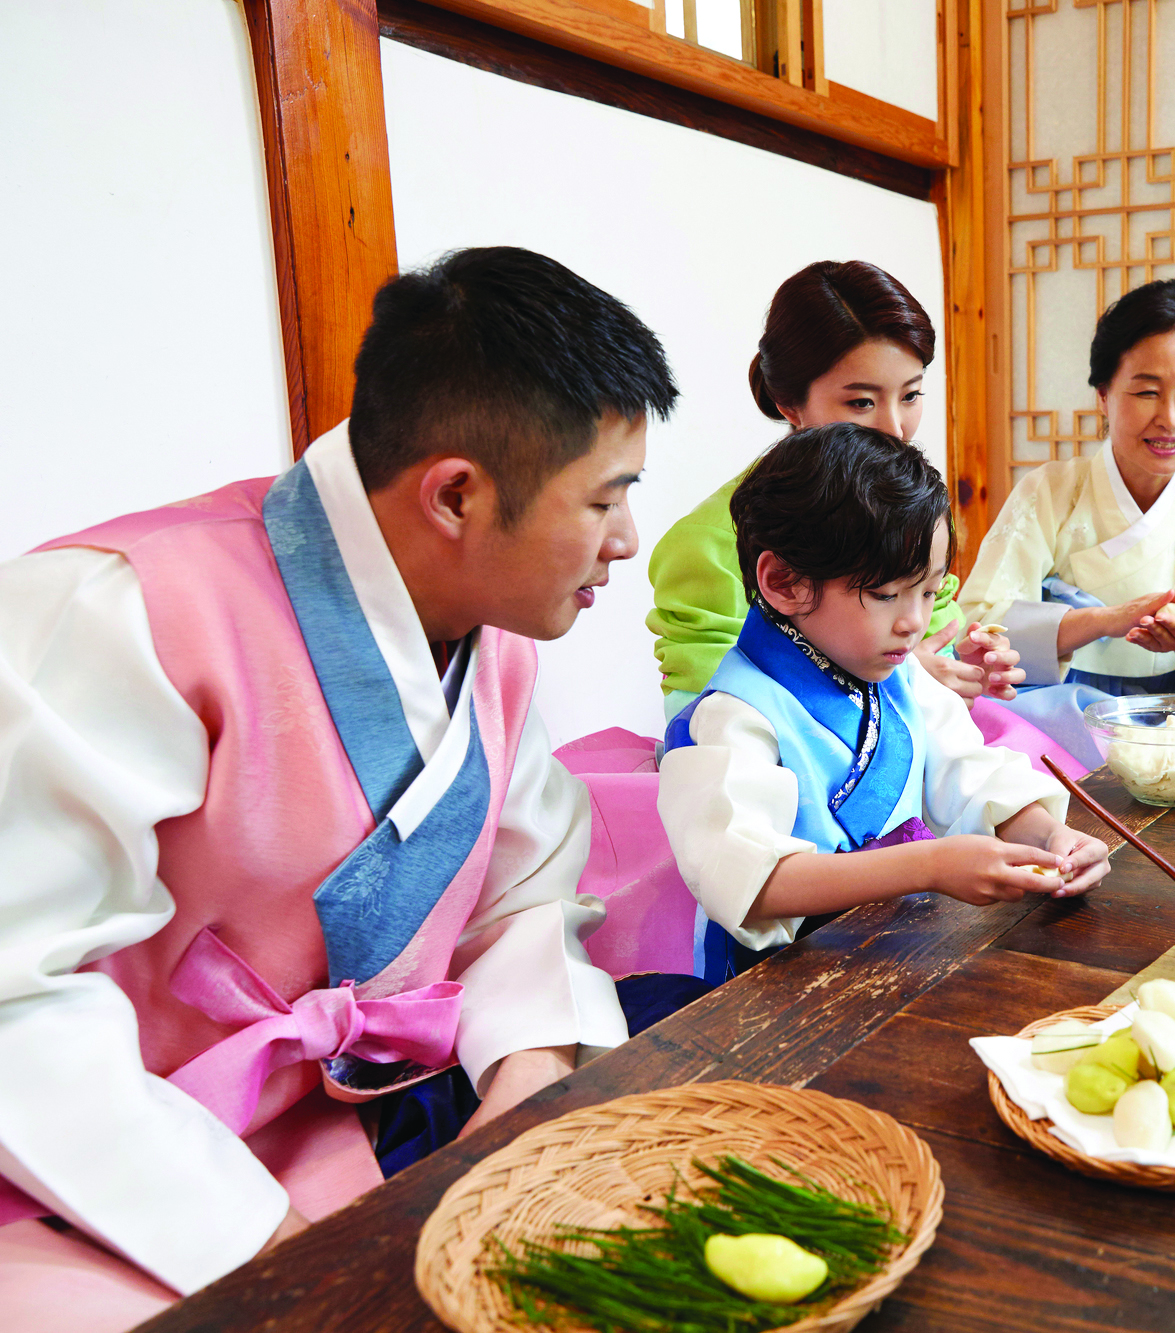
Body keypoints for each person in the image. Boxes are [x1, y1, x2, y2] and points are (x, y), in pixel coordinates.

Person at [0, 247, 696, 1330]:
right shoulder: (112, 615)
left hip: (349, 1118)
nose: (625, 539)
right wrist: (261, 1241)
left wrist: (525, 1082)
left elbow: (522, 897)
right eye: (606, 498)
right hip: (102, 1159)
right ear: (457, 493)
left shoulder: (491, 636)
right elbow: (15, 1002)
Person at [658, 424, 1112, 983]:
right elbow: (752, 882)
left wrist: (1050, 840)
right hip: (776, 985)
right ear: (784, 582)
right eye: (884, 594)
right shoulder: (732, 717)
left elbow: (970, 775)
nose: (914, 622)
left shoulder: (899, 677)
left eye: (927, 591)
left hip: (896, 951)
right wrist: (929, 866)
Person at [643, 261, 1084, 770]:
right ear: (789, 402)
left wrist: (967, 666)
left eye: (911, 395)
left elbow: (938, 636)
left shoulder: (916, 511)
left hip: (936, 751)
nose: (894, 428)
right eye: (860, 401)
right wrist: (895, 686)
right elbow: (704, 718)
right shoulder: (705, 544)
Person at [957, 279, 1175, 758]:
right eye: (1147, 391)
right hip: (1051, 733)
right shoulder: (1049, 491)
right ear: (1103, 395)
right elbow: (982, 629)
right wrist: (1107, 621)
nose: (1169, 418)